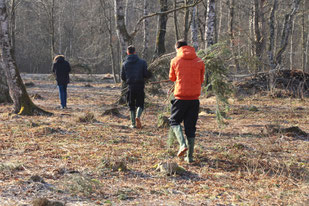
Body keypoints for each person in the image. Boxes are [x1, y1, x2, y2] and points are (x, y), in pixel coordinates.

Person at [169, 39, 205, 163]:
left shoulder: (174, 61)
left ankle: (182, 144)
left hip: (180, 97)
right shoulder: (200, 61)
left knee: (174, 121)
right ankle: (189, 158)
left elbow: (172, 77)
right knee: (190, 127)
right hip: (194, 99)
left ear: (177, 48)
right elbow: (201, 80)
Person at [121, 45, 151, 128]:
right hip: (140, 85)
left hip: (130, 86)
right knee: (140, 104)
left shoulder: (124, 63)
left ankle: (133, 124)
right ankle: (138, 116)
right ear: (135, 52)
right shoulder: (142, 62)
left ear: (128, 52)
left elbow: (123, 77)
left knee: (131, 105)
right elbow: (146, 74)